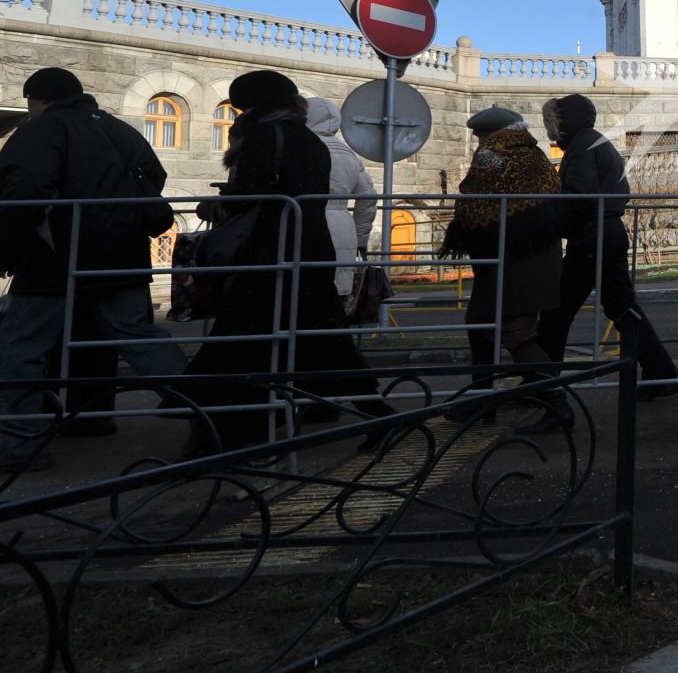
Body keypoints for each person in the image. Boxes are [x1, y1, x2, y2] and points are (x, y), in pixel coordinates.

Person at [180, 70, 389, 455]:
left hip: (270, 249)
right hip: (311, 245)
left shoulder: (264, 134)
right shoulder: (310, 139)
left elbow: (251, 194)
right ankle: (377, 413)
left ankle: (218, 432)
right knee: (321, 333)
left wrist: (216, 204)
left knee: (246, 335)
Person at [0, 68, 189, 471]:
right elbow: (154, 175)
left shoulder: (43, 129)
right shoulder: (118, 130)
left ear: (38, 99)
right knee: (137, 335)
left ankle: (20, 445)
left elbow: (24, 189)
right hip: (121, 252)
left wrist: (7, 248)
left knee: (21, 346)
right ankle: (208, 408)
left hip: (56, 256)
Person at [532, 94, 678, 397]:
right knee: (623, 309)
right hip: (608, 233)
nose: (549, 129)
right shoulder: (597, 142)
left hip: (591, 237)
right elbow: (617, 190)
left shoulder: (581, 148)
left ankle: (543, 387)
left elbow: (580, 196)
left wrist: (550, 219)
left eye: (551, 122)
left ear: (562, 121)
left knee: (556, 314)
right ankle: (661, 372)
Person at [440, 106, 572, 435]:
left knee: (515, 332)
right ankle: (482, 398)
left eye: (480, 136)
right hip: (537, 255)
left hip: (512, 262)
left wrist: (460, 231)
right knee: (481, 324)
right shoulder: (535, 155)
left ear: (492, 134)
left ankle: (559, 407)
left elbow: (473, 205)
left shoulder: (493, 156)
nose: (478, 142)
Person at [304, 98, 377, 307]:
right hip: (344, 228)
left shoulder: (303, 147)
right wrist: (361, 238)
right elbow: (368, 199)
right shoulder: (349, 154)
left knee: (305, 293)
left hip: (309, 222)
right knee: (337, 295)